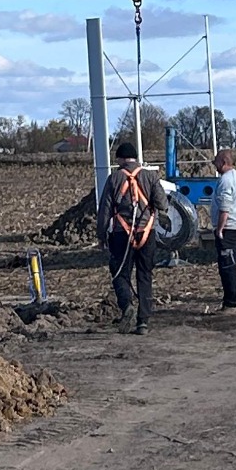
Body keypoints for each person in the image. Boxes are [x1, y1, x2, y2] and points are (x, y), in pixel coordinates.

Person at [97, 138, 167, 333]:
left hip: (121, 234)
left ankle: (127, 305)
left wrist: (101, 236)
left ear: (120, 159)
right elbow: (162, 204)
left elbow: (105, 210)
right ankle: (143, 321)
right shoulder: (151, 177)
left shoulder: (114, 178)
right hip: (147, 234)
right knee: (145, 275)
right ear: (135, 158)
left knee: (120, 273)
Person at [210, 147, 236, 316]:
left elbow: (225, 207)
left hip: (229, 228)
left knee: (228, 266)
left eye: (216, 161)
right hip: (235, 227)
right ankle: (232, 300)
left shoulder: (225, 180)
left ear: (223, 162)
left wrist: (220, 229)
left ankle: (232, 304)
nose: (213, 164)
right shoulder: (235, 177)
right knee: (232, 264)